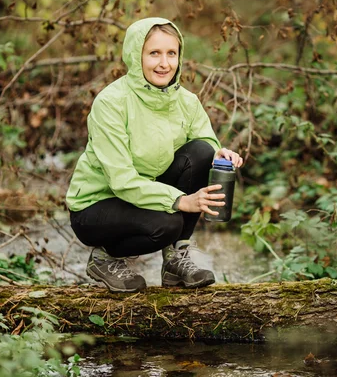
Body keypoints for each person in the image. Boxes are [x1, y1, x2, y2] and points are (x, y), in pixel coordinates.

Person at [65, 17, 243, 293]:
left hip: (145, 194)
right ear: (137, 56)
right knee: (168, 222)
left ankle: (175, 258)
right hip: (97, 205)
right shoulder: (111, 103)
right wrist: (180, 201)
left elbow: (205, 141)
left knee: (202, 151)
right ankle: (104, 258)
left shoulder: (186, 100)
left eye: (171, 53)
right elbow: (121, 180)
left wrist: (221, 153)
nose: (164, 63)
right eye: (154, 53)